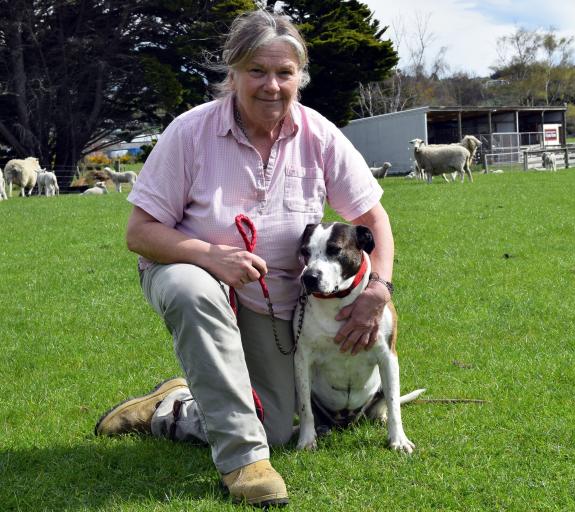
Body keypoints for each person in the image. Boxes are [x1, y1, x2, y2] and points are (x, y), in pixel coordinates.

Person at [94, 9, 394, 508]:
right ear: (231, 73)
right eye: (257, 71)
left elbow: (374, 219)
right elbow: (140, 233)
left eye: (285, 73)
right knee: (194, 290)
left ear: (300, 77)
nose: (271, 85)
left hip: (276, 302)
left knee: (277, 425)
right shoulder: (189, 133)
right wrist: (211, 256)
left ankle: (173, 406)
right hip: (188, 273)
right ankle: (244, 465)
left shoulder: (319, 135)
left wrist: (379, 290)